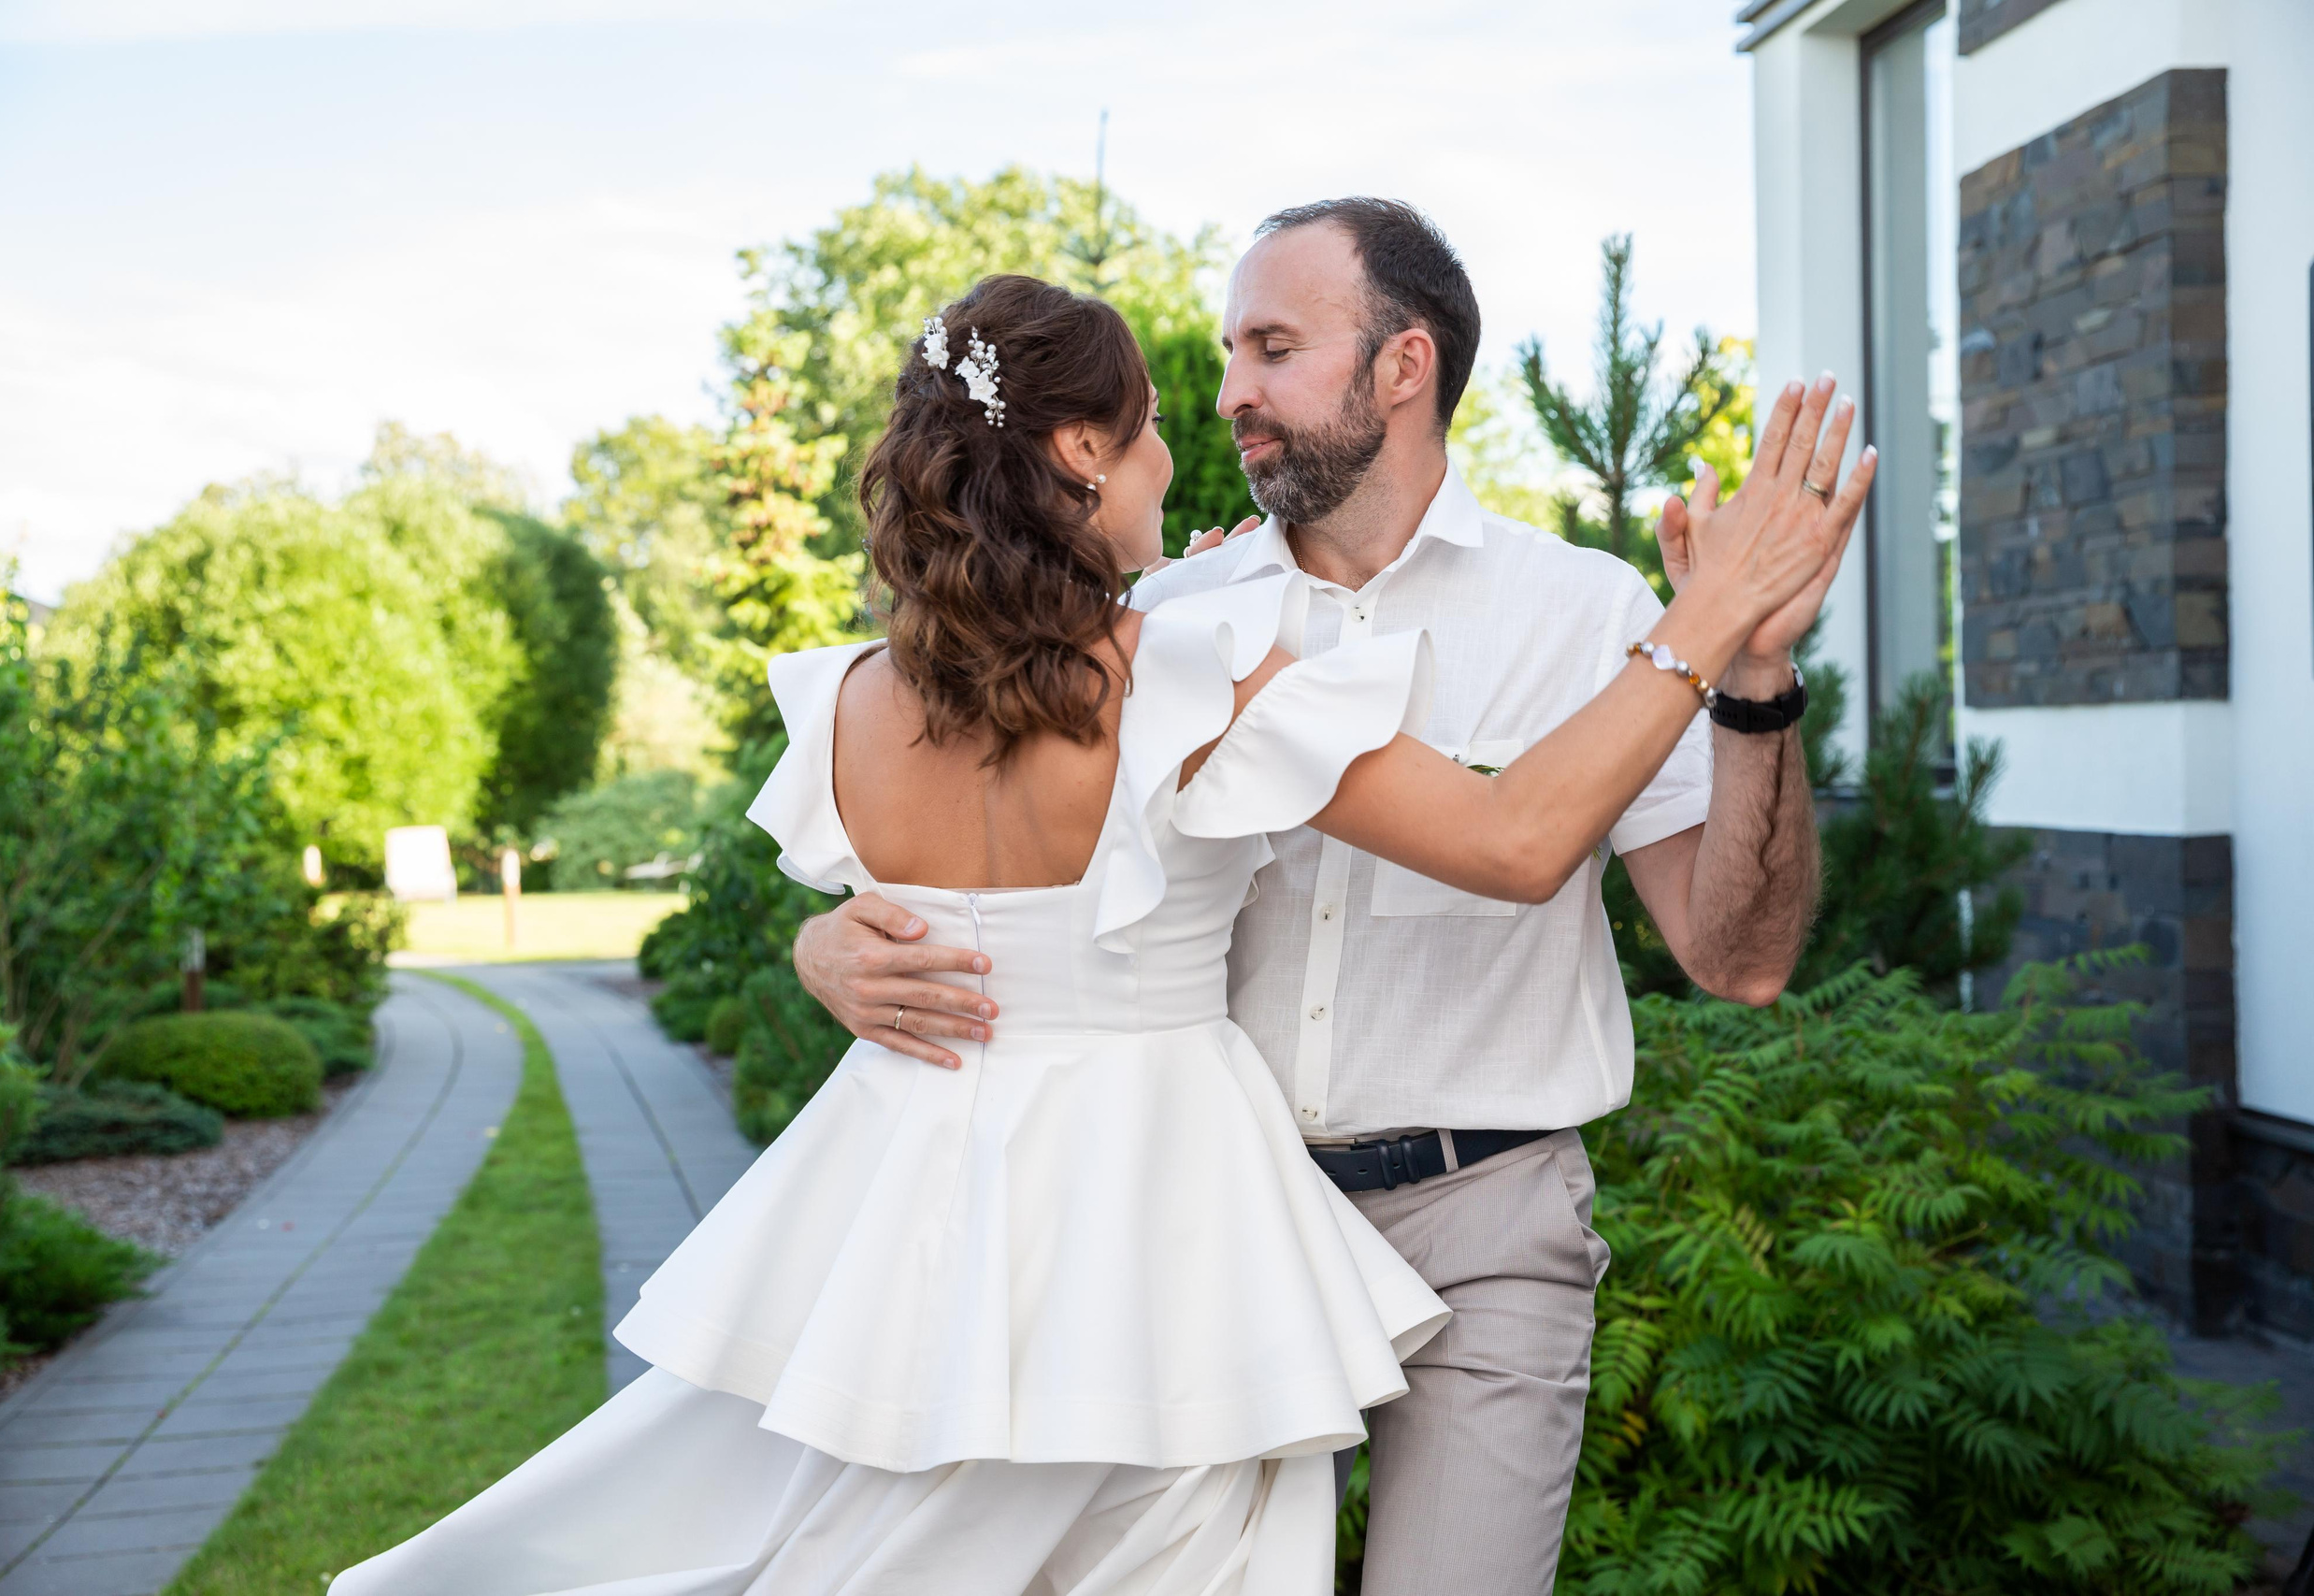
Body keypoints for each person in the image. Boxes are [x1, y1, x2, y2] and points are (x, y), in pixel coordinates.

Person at [330, 269, 1867, 1595]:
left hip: (936, 1208)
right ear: (1077, 451)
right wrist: (1706, 615)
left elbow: (912, 899)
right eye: (1145, 431)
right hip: (1163, 1213)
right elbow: (1522, 839)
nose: (1175, 454)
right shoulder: (1182, 666)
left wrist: (823, 948)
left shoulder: (860, 701)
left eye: (1258, 355)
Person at [790, 203, 1861, 1596]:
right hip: (1199, 1227)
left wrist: (1752, 674)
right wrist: (838, 945)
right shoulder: (1169, 627)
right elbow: (990, 855)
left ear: (1403, 366)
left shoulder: (1596, 618)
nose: (1231, 390)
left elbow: (1740, 960)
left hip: (1488, 1226)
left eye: (1272, 347)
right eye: (1225, 356)